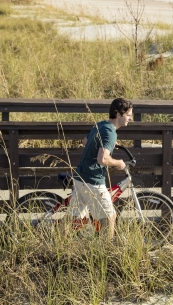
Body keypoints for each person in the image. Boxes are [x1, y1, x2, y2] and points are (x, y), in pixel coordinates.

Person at [71, 98, 133, 239]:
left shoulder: (102, 125)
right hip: (93, 181)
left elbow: (85, 141)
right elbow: (102, 159)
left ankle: (55, 243)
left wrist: (106, 143)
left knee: (72, 217)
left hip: (80, 177)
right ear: (118, 114)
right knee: (109, 218)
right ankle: (105, 253)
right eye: (128, 115)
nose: (130, 118)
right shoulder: (110, 132)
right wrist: (119, 163)